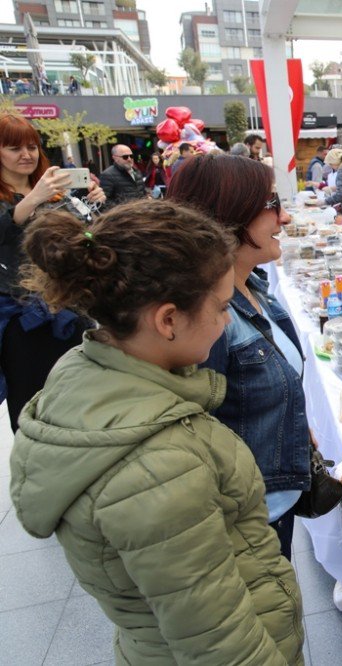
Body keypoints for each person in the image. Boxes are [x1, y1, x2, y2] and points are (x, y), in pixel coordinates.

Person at [9, 198, 305, 664]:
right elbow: (219, 645)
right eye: (223, 307)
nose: (227, 321)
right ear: (168, 320)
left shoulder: (88, 370)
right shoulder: (158, 471)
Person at [168, 155, 314, 560]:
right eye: (271, 205)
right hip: (244, 525)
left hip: (272, 506)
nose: (284, 217)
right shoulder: (207, 320)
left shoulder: (252, 286)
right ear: (229, 217)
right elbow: (198, 440)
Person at [0, 113, 105, 431]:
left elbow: (86, 241)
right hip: (25, 322)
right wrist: (33, 199)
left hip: (72, 310)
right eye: (14, 147)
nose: (26, 154)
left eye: (32, 146)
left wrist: (92, 207)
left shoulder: (56, 192)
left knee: (83, 407)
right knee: (35, 413)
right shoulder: (36, 194)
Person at [98, 144, 147, 209]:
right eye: (125, 157)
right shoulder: (107, 175)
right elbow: (104, 202)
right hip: (124, 217)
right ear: (115, 158)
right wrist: (124, 210)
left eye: (131, 156)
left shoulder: (137, 172)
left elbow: (143, 193)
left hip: (141, 215)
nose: (129, 159)